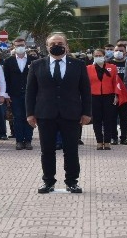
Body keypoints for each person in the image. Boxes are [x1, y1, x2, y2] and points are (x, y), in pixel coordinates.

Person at [26, 33, 92, 194]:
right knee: (47, 150)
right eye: (53, 43)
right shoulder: (37, 65)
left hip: (71, 114)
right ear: (47, 47)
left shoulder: (78, 64)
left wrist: (87, 113)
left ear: (66, 46)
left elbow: (86, 90)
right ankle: (48, 181)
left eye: (60, 42)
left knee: (71, 149)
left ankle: (72, 181)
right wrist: (30, 113)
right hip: (45, 114)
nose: (56, 45)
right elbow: (30, 91)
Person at [3, 38, 35, 150]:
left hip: (30, 93)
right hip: (14, 94)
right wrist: (6, 94)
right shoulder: (8, 61)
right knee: (17, 117)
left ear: (25, 46)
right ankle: (19, 141)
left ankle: (28, 140)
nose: (19, 47)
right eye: (17, 45)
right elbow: (5, 79)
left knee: (29, 116)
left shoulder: (33, 60)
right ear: (14, 47)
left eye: (21, 45)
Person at [87, 49, 118, 150]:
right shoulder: (88, 68)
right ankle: (99, 141)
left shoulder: (112, 67)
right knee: (97, 119)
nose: (98, 57)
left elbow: (115, 82)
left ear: (104, 56)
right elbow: (86, 84)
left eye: (100, 55)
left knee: (108, 119)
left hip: (108, 95)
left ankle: (108, 141)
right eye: (96, 55)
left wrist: (116, 95)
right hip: (94, 96)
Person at [109, 43, 127, 145]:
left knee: (124, 118)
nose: (119, 52)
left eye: (121, 50)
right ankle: (114, 137)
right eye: (117, 50)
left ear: (125, 52)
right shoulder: (108, 63)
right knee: (112, 117)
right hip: (112, 95)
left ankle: (124, 138)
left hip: (124, 95)